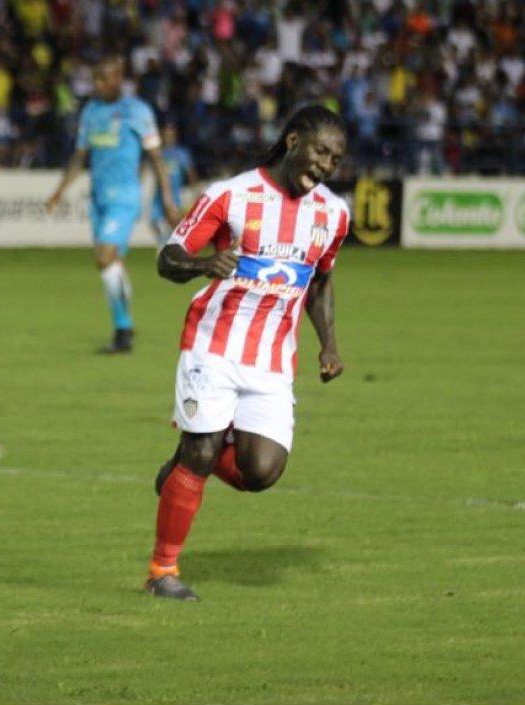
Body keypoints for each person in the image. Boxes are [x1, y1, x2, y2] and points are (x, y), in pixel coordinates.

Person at [144, 105, 350, 601]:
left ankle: (189, 458)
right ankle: (162, 571)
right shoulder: (230, 195)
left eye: (336, 160)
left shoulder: (333, 214)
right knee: (203, 450)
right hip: (212, 344)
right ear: (293, 140)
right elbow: (167, 259)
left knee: (262, 471)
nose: (325, 166)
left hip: (273, 360)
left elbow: (320, 281)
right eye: (321, 152)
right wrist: (202, 264)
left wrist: (329, 343)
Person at [45, 56, 178, 354]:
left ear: (118, 78)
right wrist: (59, 191)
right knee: (110, 264)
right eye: (95, 81)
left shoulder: (138, 111)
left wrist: (167, 200)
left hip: (125, 196)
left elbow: (157, 159)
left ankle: (123, 329)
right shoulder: (91, 111)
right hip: (99, 199)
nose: (97, 86)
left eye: (102, 80)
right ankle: (124, 326)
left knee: (104, 256)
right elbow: (80, 156)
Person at [147, 122, 197, 249]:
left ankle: (170, 246)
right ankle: (162, 242)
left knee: (174, 223)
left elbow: (190, 172)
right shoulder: (158, 152)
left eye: (171, 135)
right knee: (154, 222)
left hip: (175, 195)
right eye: (166, 134)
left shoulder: (181, 153)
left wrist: (192, 190)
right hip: (158, 195)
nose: (168, 137)